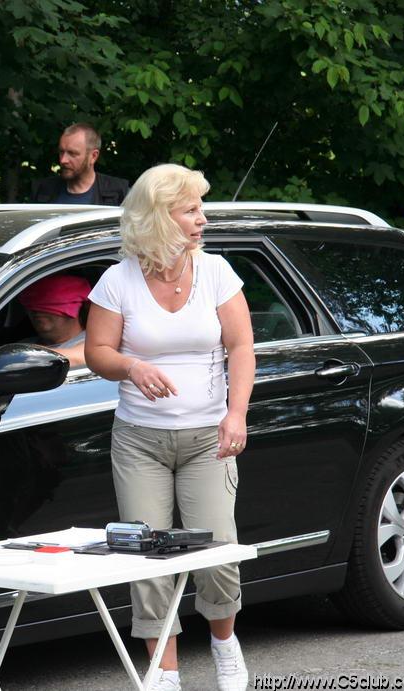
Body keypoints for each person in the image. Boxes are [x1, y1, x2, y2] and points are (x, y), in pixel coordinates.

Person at [84, 163, 255, 691]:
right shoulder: (117, 280)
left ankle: (224, 644)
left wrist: (236, 412)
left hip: (208, 438)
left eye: (201, 209)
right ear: (158, 217)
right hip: (140, 441)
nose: (203, 219)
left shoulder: (217, 272)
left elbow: (241, 346)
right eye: (191, 210)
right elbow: (97, 352)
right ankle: (164, 670)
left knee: (218, 551)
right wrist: (131, 367)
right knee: (147, 557)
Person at [32, 122, 130, 205]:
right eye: (61, 152)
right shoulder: (43, 191)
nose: (63, 160)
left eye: (72, 153)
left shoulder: (118, 193)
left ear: (93, 156)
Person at [17, 273, 90, 367]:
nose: (36, 310)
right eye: (30, 301)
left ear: (77, 306)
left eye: (49, 299)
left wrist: (14, 355)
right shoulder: (25, 343)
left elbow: (78, 358)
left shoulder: (92, 343)